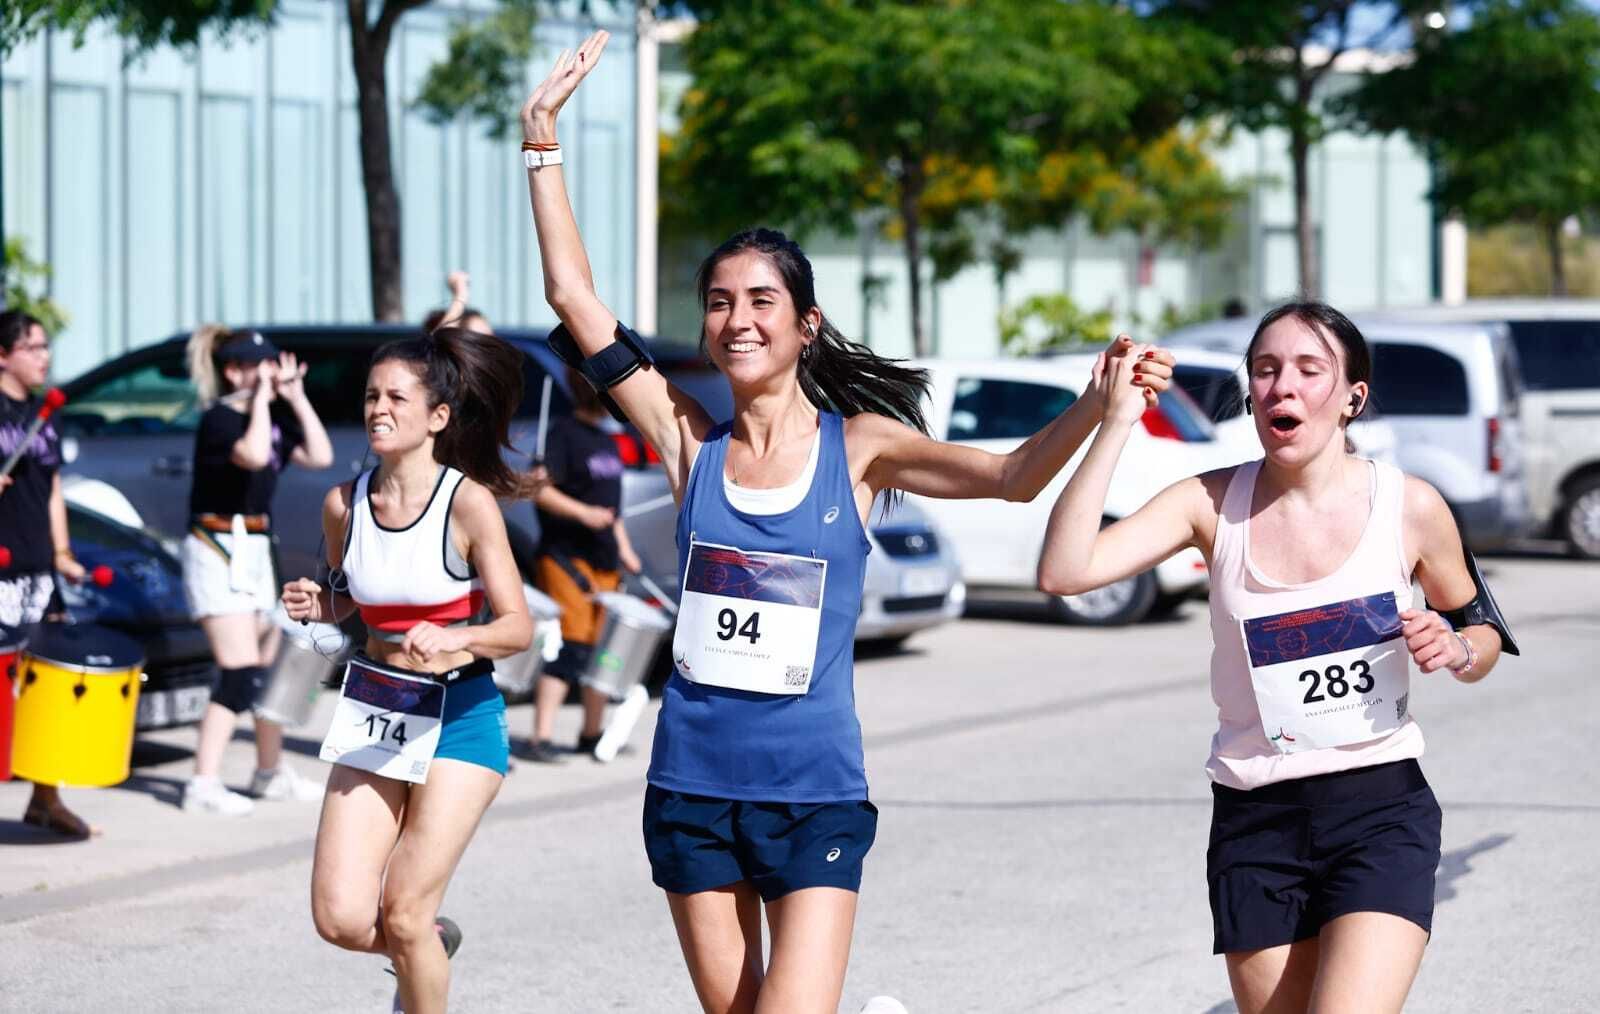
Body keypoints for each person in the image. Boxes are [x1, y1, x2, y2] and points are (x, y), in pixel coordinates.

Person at [520, 33, 1173, 1014]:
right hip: (692, 787)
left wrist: (1095, 403)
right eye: (718, 303)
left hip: (814, 789)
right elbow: (576, 302)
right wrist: (541, 141)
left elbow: (1012, 477)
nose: (738, 320)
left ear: (804, 324)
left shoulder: (858, 448)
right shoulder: (687, 440)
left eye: (761, 302)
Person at [1037, 302, 1514, 1013]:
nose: (1280, 387)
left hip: (1379, 808)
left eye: (1307, 369)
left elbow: (1481, 629)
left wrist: (1458, 649)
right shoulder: (1208, 502)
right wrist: (1115, 422)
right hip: (1255, 821)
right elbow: (1065, 571)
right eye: (1264, 370)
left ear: (1353, 396)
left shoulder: (1409, 506)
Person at [281, 327, 536, 1014]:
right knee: (338, 918)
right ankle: (428, 944)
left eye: (397, 396)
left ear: (438, 416)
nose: (378, 409)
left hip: (461, 717)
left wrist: (457, 633)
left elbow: (518, 628)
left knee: (400, 913)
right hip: (378, 709)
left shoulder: (468, 504)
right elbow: (353, 605)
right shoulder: (344, 504)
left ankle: (415, 945)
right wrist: (320, 603)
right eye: (370, 396)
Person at [180, 326, 334, 814]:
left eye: (272, 363)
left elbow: (320, 454)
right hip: (216, 544)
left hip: (254, 546)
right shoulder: (219, 419)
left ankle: (268, 772)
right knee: (239, 669)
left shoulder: (271, 416)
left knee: (268, 666)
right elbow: (250, 455)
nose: (269, 371)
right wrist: (263, 400)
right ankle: (202, 782)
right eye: (258, 364)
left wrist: (296, 396)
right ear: (233, 371)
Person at [0, 310, 94, 838]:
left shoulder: (44, 412)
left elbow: (53, 489)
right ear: (3, 354)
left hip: (37, 567)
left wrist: (62, 551)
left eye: (45, 347)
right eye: (33, 347)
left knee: (44, 687)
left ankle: (45, 797)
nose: (45, 356)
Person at [522, 366, 643, 762]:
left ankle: (591, 733)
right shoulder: (563, 435)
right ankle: (541, 736)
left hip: (605, 560)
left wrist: (625, 549)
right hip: (567, 556)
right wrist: (583, 514)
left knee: (604, 651)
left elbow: (614, 510)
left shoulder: (608, 442)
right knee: (570, 646)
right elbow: (540, 492)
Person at [422, 271, 493, 336]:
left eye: (489, 335)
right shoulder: (444, 344)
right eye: (477, 336)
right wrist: (461, 293)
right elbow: (445, 338)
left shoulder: (497, 348)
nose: (488, 341)